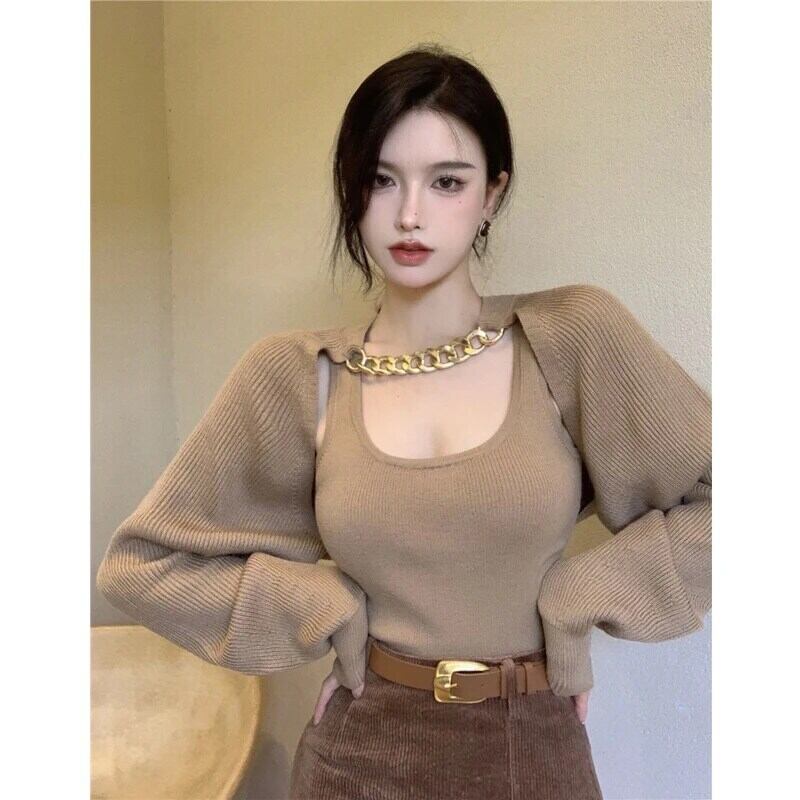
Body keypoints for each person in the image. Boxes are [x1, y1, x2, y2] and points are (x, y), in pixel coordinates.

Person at [96, 45, 711, 800]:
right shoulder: (299, 374)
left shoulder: (570, 336)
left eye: (446, 182)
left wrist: (578, 598)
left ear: (492, 193)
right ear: (350, 190)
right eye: (381, 180)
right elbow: (143, 565)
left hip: (533, 747)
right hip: (358, 752)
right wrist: (323, 607)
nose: (410, 214)